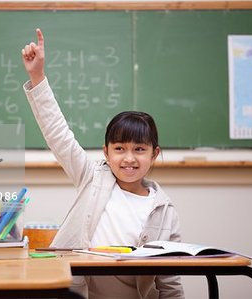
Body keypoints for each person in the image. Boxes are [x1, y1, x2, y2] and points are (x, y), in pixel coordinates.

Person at [21, 28, 184, 299]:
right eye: (119, 148)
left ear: (154, 154)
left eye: (139, 149)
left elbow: (170, 281)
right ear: (106, 152)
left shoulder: (164, 210)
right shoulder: (91, 177)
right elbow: (58, 134)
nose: (129, 158)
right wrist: (37, 77)